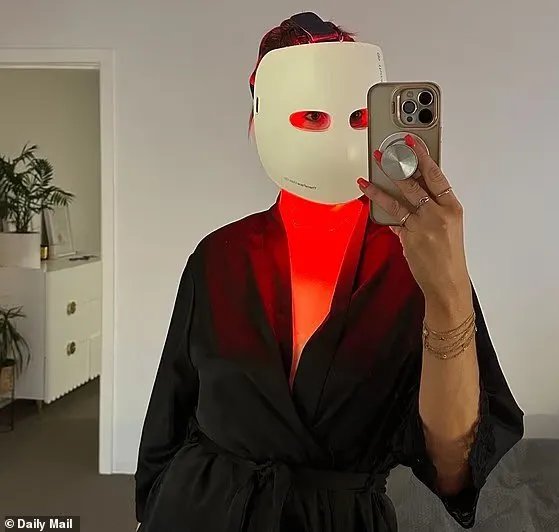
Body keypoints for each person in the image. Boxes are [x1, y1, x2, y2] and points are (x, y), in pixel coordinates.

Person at [134, 12, 524, 532]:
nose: (336, 136)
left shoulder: (415, 263)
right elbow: (169, 416)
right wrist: (149, 513)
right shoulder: (218, 257)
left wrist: (448, 290)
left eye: (360, 117)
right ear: (259, 116)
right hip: (198, 511)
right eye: (312, 116)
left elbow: (453, 472)